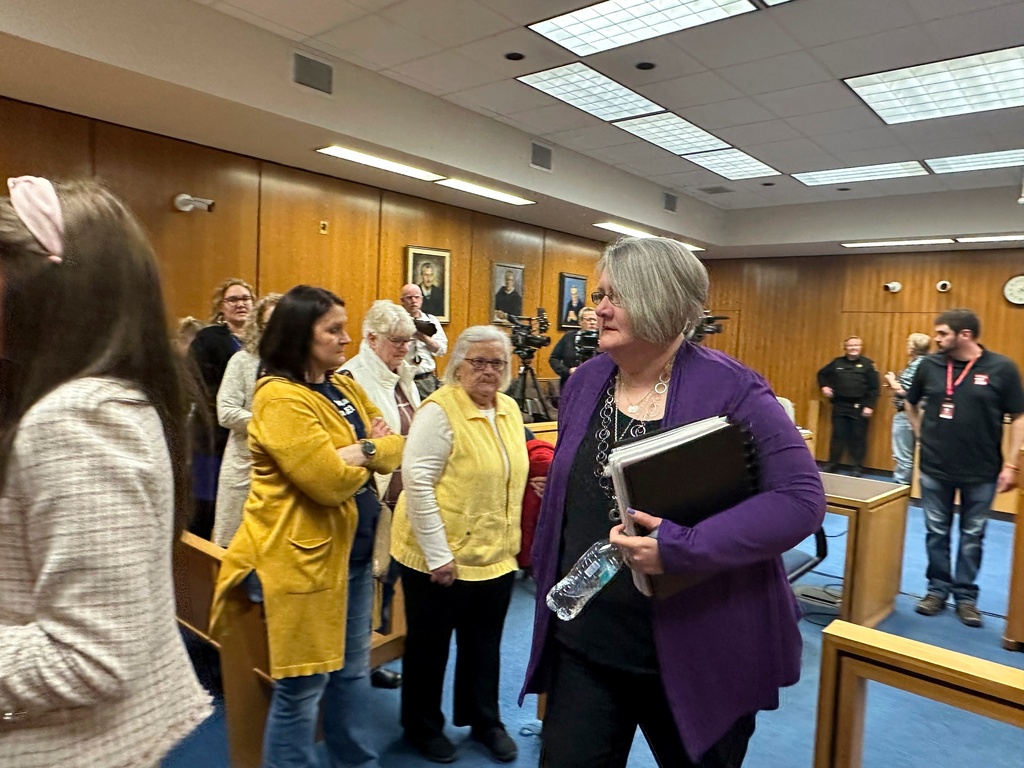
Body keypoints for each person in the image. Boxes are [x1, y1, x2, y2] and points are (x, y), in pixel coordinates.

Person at [521, 237, 825, 768]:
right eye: (599, 294)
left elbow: (799, 499)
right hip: (589, 640)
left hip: (696, 650)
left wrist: (681, 548)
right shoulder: (586, 380)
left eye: (617, 295)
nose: (599, 308)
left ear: (668, 303)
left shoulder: (732, 388)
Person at [0, 177, 211, 765]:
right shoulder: (99, 400)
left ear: (49, 293)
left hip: (64, 745)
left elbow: (89, 657)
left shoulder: (77, 419)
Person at [209, 285, 404, 767]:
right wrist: (368, 450)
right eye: (333, 330)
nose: (345, 339)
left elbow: (398, 443)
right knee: (302, 687)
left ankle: (355, 761)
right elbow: (326, 482)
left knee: (352, 672)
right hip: (302, 562)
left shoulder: (343, 384)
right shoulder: (278, 397)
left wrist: (362, 450)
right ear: (300, 336)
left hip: (355, 557)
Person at [391, 325, 528, 764]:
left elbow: (511, 466)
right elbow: (417, 482)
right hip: (438, 555)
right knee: (429, 648)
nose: (489, 371)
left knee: (484, 645)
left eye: (498, 363)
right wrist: (438, 555)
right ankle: (421, 726)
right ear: (457, 367)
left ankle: (484, 720)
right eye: (479, 362)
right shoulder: (439, 411)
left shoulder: (508, 407)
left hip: (494, 553)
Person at [905, 308, 1024, 628]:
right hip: (934, 467)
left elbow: (1019, 417)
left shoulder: (1002, 368)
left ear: (965, 335)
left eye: (942, 333)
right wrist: (920, 436)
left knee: (973, 535)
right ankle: (937, 590)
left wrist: (1012, 464)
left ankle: (966, 597)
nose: (936, 338)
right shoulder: (928, 366)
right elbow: (909, 402)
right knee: (936, 533)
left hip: (982, 470)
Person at [339, 299, 422, 690]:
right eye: (396, 341)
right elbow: (360, 445)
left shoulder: (401, 373)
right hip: (375, 497)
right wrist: (380, 445)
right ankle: (356, 663)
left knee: (390, 582)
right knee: (367, 584)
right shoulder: (352, 377)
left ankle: (374, 657)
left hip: (406, 495)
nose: (404, 348)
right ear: (370, 338)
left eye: (407, 341)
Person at [211, 292, 281, 547]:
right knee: (234, 548)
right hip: (245, 467)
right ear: (259, 325)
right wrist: (269, 425)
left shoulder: (303, 364)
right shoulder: (242, 361)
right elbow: (226, 411)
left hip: (285, 470)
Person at [188, 277, 255, 538]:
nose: (240, 304)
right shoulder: (208, 339)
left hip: (247, 441)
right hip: (213, 438)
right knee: (205, 510)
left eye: (245, 299)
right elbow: (200, 384)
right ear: (221, 307)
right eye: (233, 300)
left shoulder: (263, 344)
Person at [816, 335, 879, 476]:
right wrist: (824, 386)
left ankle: (857, 467)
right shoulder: (837, 363)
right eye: (850, 346)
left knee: (858, 437)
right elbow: (821, 374)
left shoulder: (868, 365)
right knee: (837, 436)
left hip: (859, 406)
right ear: (845, 348)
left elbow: (874, 388)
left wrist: (870, 406)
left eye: (856, 345)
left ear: (861, 347)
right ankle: (832, 464)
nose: (853, 348)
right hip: (840, 405)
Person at [884, 333, 931, 485]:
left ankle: (900, 487)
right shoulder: (928, 363)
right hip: (923, 413)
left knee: (903, 455)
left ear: (913, 347)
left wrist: (891, 380)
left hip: (907, 414)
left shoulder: (917, 364)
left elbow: (905, 391)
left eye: (908, 344)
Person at [400, 282, 448, 398]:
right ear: (402, 301)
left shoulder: (432, 321)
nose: (413, 301)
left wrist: (424, 338)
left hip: (427, 379)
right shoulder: (397, 322)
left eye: (416, 297)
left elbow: (441, 350)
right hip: (405, 380)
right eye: (409, 298)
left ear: (421, 299)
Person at [549, 306, 598, 385]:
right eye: (589, 319)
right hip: (570, 382)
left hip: (595, 382)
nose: (592, 322)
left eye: (595, 320)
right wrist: (567, 371)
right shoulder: (568, 337)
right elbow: (554, 358)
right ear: (580, 321)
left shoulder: (603, 339)